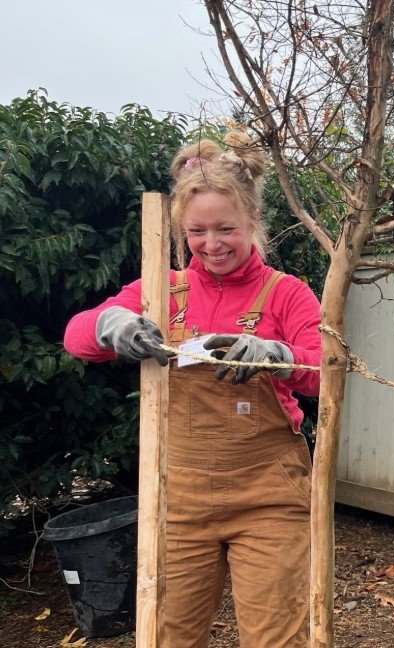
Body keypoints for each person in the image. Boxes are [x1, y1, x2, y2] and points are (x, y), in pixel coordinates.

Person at [64, 132, 322, 648]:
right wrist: (109, 323)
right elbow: (77, 338)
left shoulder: (286, 292)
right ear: (182, 232)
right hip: (176, 495)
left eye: (226, 228)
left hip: (270, 494)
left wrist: (277, 357)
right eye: (198, 231)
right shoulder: (162, 290)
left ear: (252, 223)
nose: (212, 243)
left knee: (277, 636)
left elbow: (323, 373)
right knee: (166, 634)